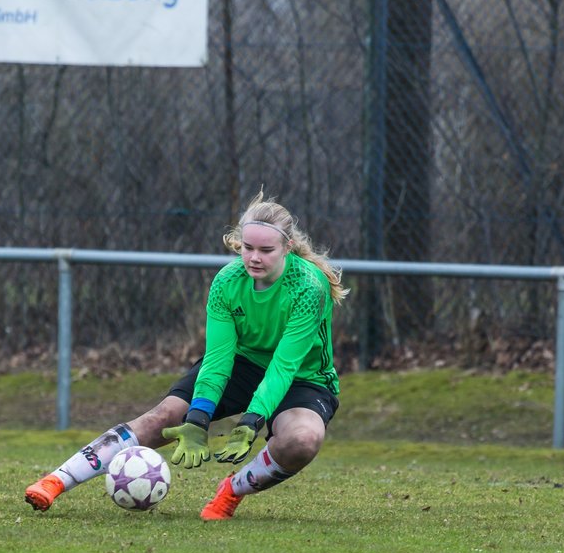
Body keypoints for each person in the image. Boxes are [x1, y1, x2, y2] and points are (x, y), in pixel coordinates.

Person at [24, 190, 347, 520]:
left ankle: (232, 490)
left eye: (266, 250)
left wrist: (252, 420)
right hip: (244, 365)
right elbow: (219, 358)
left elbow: (284, 365)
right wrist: (198, 417)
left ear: (287, 248)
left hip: (302, 378)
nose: (254, 258)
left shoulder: (309, 287)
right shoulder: (227, 281)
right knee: (165, 416)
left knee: (303, 440)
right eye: (248, 248)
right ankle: (56, 481)